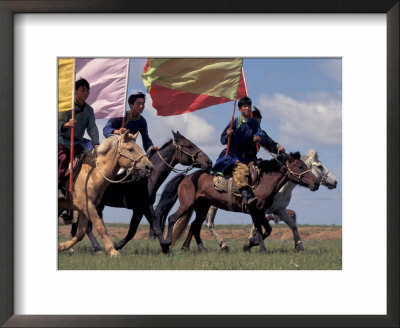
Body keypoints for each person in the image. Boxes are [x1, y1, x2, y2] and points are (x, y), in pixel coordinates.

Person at [211, 97, 284, 207]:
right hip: (233, 156)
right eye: (245, 106)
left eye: (249, 106)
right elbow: (223, 139)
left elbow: (262, 135)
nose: (247, 108)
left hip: (249, 158)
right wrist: (228, 135)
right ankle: (246, 195)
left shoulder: (254, 124)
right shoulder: (234, 122)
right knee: (242, 169)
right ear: (240, 109)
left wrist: (262, 140)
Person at [58, 78, 100, 198]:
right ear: (75, 91)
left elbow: (92, 128)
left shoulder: (89, 110)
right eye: (82, 90)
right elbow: (58, 123)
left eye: (87, 91)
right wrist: (66, 125)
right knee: (63, 158)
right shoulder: (67, 106)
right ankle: (58, 187)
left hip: (77, 143)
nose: (85, 93)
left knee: (90, 160)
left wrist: (96, 143)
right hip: (63, 141)